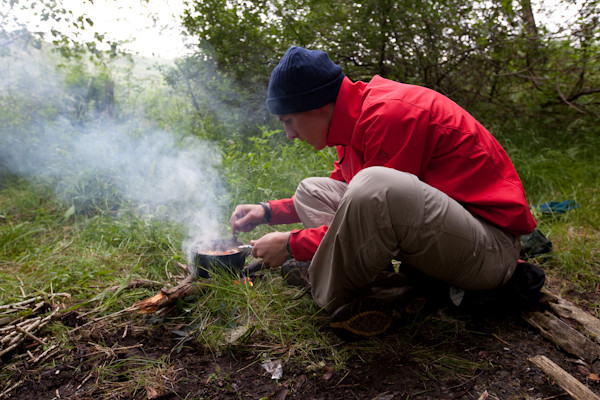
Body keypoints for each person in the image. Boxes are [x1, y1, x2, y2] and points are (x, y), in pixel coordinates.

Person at [229, 46, 537, 338]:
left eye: (289, 120)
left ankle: (329, 291)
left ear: (318, 107)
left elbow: (372, 205)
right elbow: (348, 195)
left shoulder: (390, 115)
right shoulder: (355, 119)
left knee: (373, 185)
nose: (290, 134)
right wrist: (268, 212)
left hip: (490, 252)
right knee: (312, 190)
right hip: (453, 240)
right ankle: (385, 289)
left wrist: (291, 245)